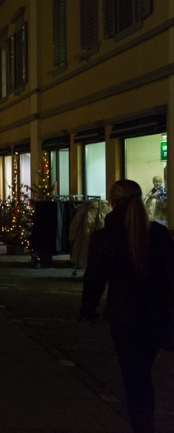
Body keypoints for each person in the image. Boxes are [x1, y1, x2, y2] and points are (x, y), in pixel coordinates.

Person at [80, 179, 174, 433]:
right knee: (143, 372)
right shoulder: (157, 233)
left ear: (112, 201)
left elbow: (94, 279)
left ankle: (142, 425)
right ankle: (146, 422)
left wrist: (87, 309)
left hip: (124, 316)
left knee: (134, 376)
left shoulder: (104, 237)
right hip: (156, 314)